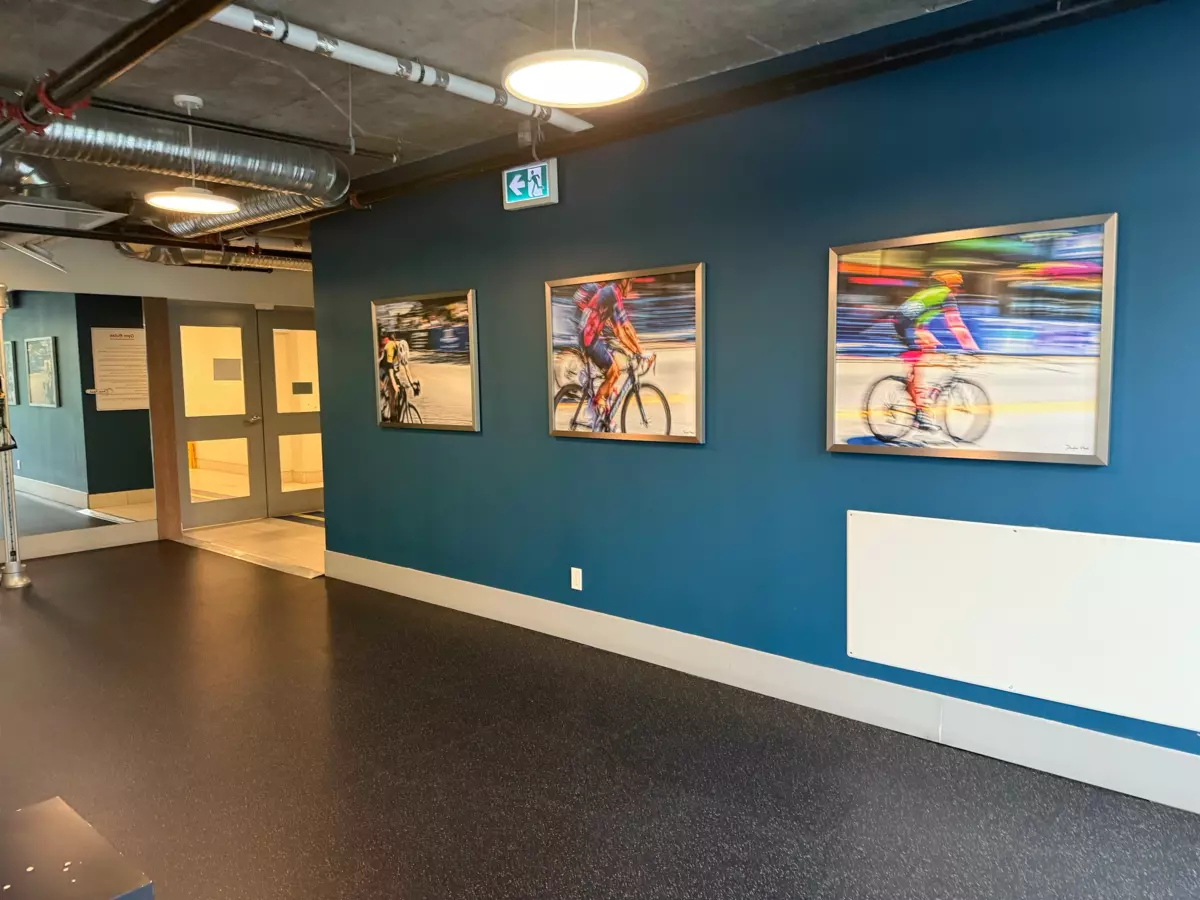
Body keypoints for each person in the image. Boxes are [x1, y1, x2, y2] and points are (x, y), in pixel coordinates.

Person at [894, 269, 979, 428]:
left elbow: (920, 315)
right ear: (949, 285)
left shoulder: (929, 292)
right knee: (917, 365)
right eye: (957, 286)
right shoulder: (946, 295)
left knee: (931, 347)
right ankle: (919, 411)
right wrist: (971, 347)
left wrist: (926, 337)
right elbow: (955, 324)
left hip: (906, 323)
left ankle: (917, 392)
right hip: (906, 325)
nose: (958, 291)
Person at [576, 278, 650, 428]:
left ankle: (603, 407)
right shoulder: (612, 293)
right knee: (614, 371)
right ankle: (597, 404)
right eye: (630, 284)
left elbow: (620, 330)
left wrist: (636, 349)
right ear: (623, 282)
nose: (630, 289)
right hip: (589, 337)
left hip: (590, 335)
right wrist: (640, 351)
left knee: (616, 364)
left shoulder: (611, 294)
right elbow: (624, 330)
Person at [379, 334, 417, 416]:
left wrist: (412, 384)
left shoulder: (402, 350)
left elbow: (407, 369)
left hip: (393, 369)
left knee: (399, 388)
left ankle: (396, 406)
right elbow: (390, 370)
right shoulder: (390, 347)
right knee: (393, 390)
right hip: (384, 368)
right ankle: (392, 416)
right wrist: (394, 386)